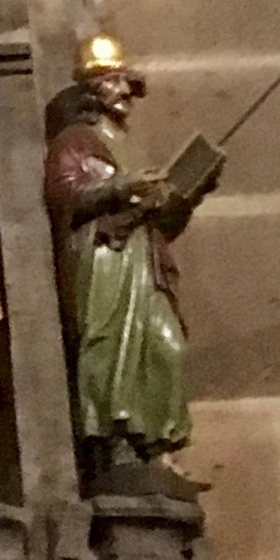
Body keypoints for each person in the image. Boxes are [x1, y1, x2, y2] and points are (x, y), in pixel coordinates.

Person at [44, 33, 216, 470]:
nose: (123, 92)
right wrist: (122, 186)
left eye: (126, 82)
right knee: (108, 346)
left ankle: (157, 447)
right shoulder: (76, 140)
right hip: (106, 256)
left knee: (168, 345)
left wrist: (188, 195)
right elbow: (66, 193)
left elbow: (163, 222)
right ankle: (116, 440)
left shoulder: (132, 148)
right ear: (92, 91)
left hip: (145, 257)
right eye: (112, 82)